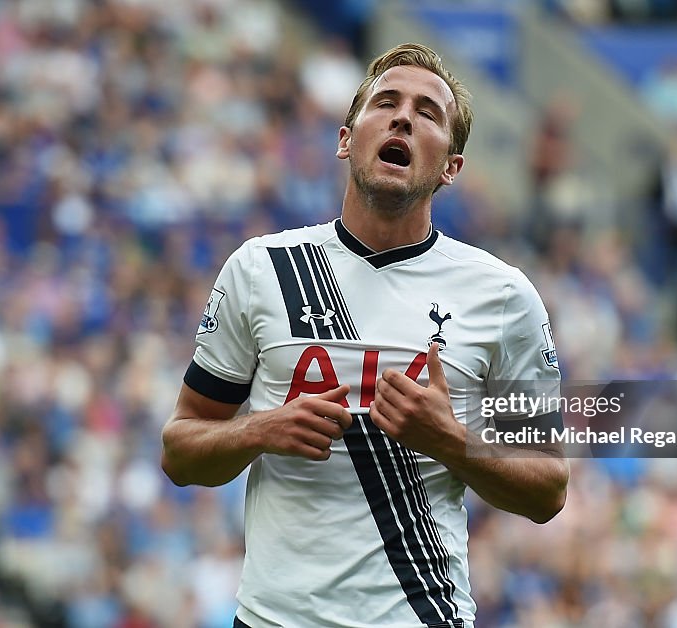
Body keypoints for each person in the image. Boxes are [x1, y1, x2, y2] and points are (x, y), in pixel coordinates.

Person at [161, 43, 569, 628]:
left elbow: (548, 488)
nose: (404, 116)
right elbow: (180, 451)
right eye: (386, 102)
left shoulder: (502, 296)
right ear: (347, 139)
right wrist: (261, 428)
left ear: (450, 166)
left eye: (428, 112)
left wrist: (450, 442)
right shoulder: (261, 269)